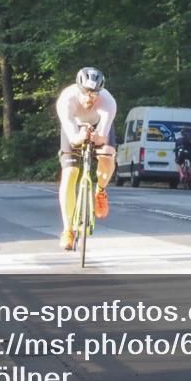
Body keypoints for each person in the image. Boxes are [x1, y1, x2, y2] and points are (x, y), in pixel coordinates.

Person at [55, 67, 117, 250]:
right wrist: (80, 136)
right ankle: (68, 230)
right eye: (86, 92)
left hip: (98, 125)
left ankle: (101, 190)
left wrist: (95, 137)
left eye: (95, 93)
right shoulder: (66, 100)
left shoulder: (108, 102)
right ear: (78, 88)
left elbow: (102, 137)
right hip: (74, 126)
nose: (91, 97)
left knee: (106, 155)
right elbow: (72, 137)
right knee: (70, 172)